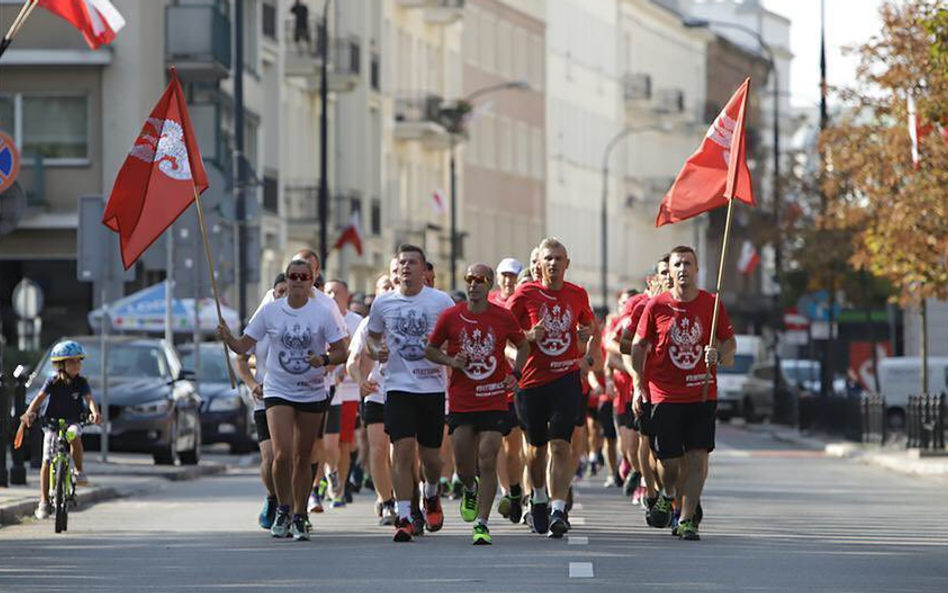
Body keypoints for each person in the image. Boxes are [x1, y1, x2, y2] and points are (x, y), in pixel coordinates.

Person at [219, 259, 348, 541]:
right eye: (293, 276)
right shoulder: (271, 311)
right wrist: (228, 338)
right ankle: (283, 508)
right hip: (277, 389)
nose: (298, 280)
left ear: (311, 280)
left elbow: (342, 351)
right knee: (281, 454)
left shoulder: (323, 312)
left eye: (304, 276)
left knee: (303, 457)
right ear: (287, 280)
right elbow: (244, 346)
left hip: (312, 389)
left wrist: (323, 359)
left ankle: (300, 515)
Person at [630, 246, 736, 541]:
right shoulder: (657, 306)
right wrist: (639, 385)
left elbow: (730, 344)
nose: (682, 269)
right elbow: (638, 346)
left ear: (696, 269)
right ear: (671, 270)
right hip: (665, 395)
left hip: (701, 392)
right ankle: (666, 494)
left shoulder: (711, 304)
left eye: (688, 264)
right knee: (670, 463)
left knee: (698, 456)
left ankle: (687, 519)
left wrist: (719, 354)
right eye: (677, 264)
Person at [426, 263, 529, 545]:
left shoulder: (503, 317)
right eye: (469, 279)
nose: (473, 284)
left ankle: (482, 524)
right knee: (463, 466)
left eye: (480, 279)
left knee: (487, 456)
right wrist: (450, 360)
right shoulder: (451, 316)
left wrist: (516, 375)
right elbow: (430, 349)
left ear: (489, 284)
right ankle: (469, 489)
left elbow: (523, 345)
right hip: (462, 400)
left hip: (494, 397)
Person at [508, 237, 596, 538]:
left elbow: (589, 328)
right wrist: (528, 335)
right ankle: (540, 498)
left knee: (561, 445)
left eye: (559, 259)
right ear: (539, 264)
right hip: (532, 382)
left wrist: (586, 337)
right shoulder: (526, 294)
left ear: (567, 264)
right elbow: (503, 331)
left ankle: (559, 508)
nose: (554, 264)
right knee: (535, 449)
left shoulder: (577, 294)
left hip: (565, 378)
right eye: (549, 259)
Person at [367, 245, 455, 542]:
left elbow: (454, 339)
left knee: (432, 460)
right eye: (402, 262)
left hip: (431, 387)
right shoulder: (383, 303)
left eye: (412, 262)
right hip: (398, 387)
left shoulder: (440, 301)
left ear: (424, 270)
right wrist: (375, 350)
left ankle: (430, 494)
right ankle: (403, 515)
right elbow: (372, 337)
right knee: (402, 451)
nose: (406, 267)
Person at [21, 341, 102, 520]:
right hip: (51, 423)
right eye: (72, 362)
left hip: (73, 421)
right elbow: (39, 398)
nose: (76, 365)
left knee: (74, 435)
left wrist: (95, 412)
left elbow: (89, 399)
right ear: (61, 365)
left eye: (78, 361)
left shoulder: (81, 383)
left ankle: (79, 470)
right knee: (47, 458)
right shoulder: (52, 382)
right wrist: (29, 412)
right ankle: (43, 501)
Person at [235, 273, 287, 530]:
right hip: (265, 399)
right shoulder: (263, 320)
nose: (283, 296)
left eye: (288, 291)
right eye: (279, 291)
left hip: (296, 397)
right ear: (272, 293)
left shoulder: (305, 320)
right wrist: (252, 384)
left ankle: (295, 507)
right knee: (270, 457)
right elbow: (241, 357)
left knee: (291, 456)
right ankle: (273, 498)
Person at [347, 273, 397, 525]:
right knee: (377, 450)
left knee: (398, 452)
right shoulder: (367, 324)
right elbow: (351, 361)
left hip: (405, 393)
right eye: (383, 287)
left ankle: (407, 498)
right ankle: (386, 500)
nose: (388, 291)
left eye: (392, 286)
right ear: (375, 294)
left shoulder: (406, 318)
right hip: (376, 393)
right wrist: (360, 381)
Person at [489, 257, 528, 523]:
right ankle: (507, 491)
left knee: (517, 445)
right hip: (495, 382)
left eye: (512, 276)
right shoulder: (490, 303)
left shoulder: (526, 302)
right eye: (504, 275)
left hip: (523, 381)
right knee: (497, 443)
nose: (508, 280)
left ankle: (518, 490)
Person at [320, 280, 364, 509]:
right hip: (325, 388)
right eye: (328, 292)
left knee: (345, 443)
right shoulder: (322, 314)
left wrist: (340, 374)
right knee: (325, 443)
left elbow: (355, 355)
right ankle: (327, 478)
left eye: (336, 292)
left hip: (348, 390)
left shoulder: (356, 322)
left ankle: (340, 488)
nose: (331, 295)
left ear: (347, 296)